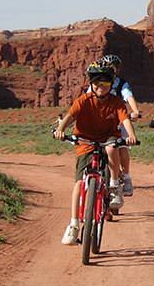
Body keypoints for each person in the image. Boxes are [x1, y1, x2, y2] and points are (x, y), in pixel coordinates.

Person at [54, 63, 137, 245]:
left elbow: (124, 119)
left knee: (112, 148)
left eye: (106, 85)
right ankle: (74, 224)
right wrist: (60, 129)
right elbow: (70, 117)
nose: (101, 88)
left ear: (111, 85)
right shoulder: (83, 100)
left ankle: (114, 186)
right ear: (91, 84)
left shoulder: (116, 102)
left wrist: (131, 135)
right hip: (85, 141)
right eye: (97, 84)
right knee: (78, 183)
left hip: (108, 138)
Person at [94, 54, 141, 205]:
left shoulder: (121, 84)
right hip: (100, 121)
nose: (111, 70)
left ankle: (126, 177)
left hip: (119, 121)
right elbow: (88, 97)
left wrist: (135, 111)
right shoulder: (97, 82)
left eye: (113, 67)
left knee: (122, 146)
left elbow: (129, 97)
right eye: (108, 67)